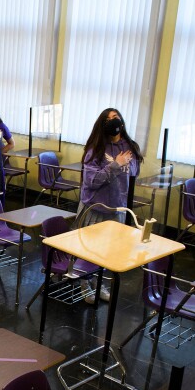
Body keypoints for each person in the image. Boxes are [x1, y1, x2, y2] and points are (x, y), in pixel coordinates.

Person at [77, 108, 144, 303]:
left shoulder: (130, 147)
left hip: (117, 208)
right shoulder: (96, 148)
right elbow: (91, 181)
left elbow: (132, 175)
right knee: (89, 250)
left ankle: (99, 283)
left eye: (115, 118)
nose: (112, 121)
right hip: (95, 208)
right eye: (107, 119)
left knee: (107, 251)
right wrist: (115, 164)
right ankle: (84, 284)